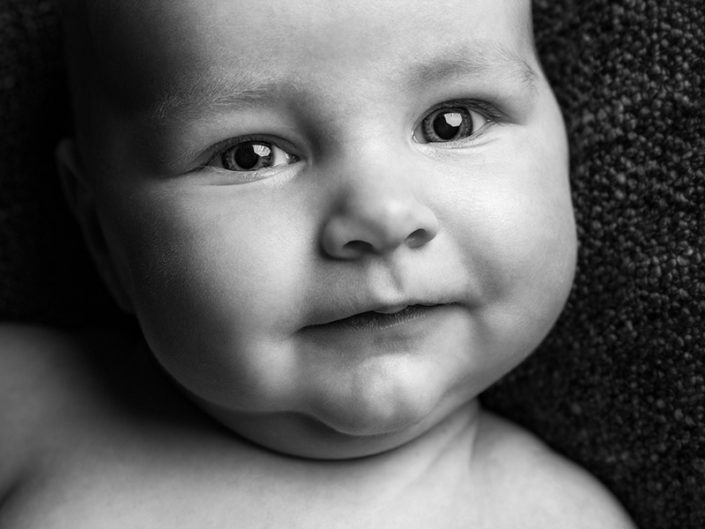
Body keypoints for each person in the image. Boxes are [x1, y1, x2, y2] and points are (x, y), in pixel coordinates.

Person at [0, 0, 636, 526]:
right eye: (250, 156)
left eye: (451, 123)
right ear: (100, 229)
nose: (382, 217)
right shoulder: (26, 403)